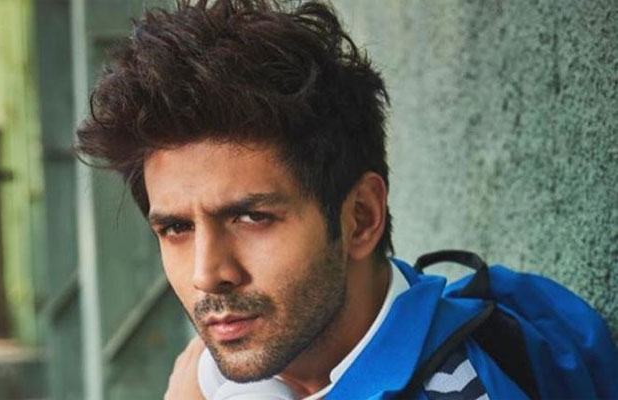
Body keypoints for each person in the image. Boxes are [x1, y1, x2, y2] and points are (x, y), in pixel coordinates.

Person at [76, 1, 617, 399]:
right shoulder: (245, 360)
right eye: (176, 228)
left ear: (361, 217)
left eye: (251, 217)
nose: (207, 274)